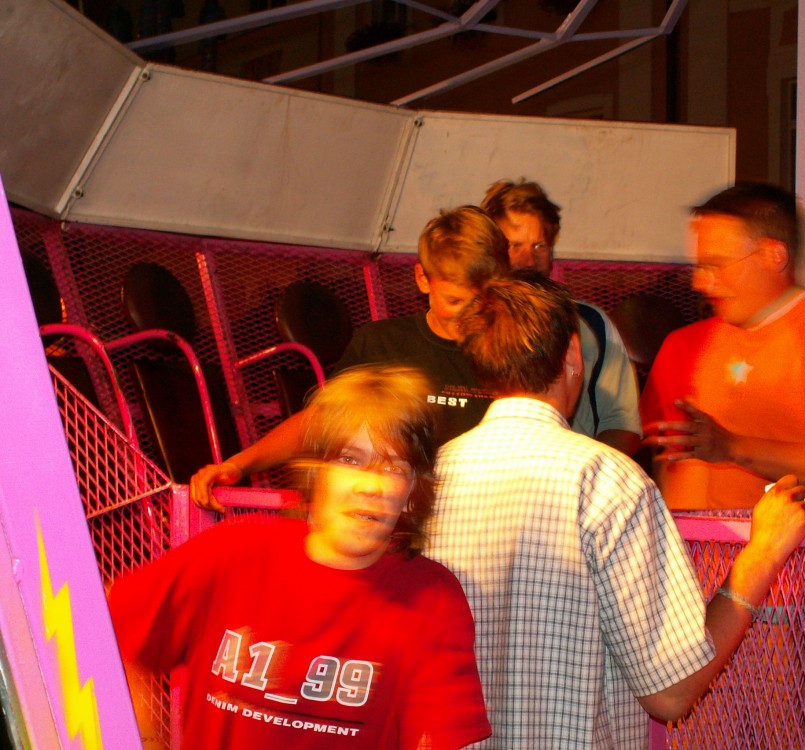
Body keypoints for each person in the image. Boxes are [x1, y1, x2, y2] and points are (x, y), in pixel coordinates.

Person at [425, 272, 805, 747]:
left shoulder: (430, 478)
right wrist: (764, 552)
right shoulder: (606, 479)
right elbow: (671, 692)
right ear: (573, 354)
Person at [109, 365, 491, 750]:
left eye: (392, 468)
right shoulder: (234, 551)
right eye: (350, 460)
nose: (370, 486)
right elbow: (106, 629)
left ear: (411, 493)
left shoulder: (432, 597)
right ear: (316, 474)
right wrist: (143, 740)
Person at [189, 206, 508, 512]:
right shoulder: (382, 343)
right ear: (423, 279)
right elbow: (321, 421)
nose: (470, 314)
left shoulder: (511, 352)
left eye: (483, 300)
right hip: (397, 519)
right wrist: (238, 465)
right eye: (455, 301)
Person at [640, 182, 805, 510]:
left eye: (715, 265)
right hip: (707, 543)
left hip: (804, 543)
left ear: (773, 255)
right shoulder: (690, 343)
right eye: (699, 266)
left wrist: (734, 447)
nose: (700, 282)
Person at [481, 179, 642, 456]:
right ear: (491, 250)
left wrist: (588, 472)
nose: (529, 260)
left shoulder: (590, 324)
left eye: (539, 246)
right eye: (514, 245)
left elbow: (622, 422)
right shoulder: (473, 325)